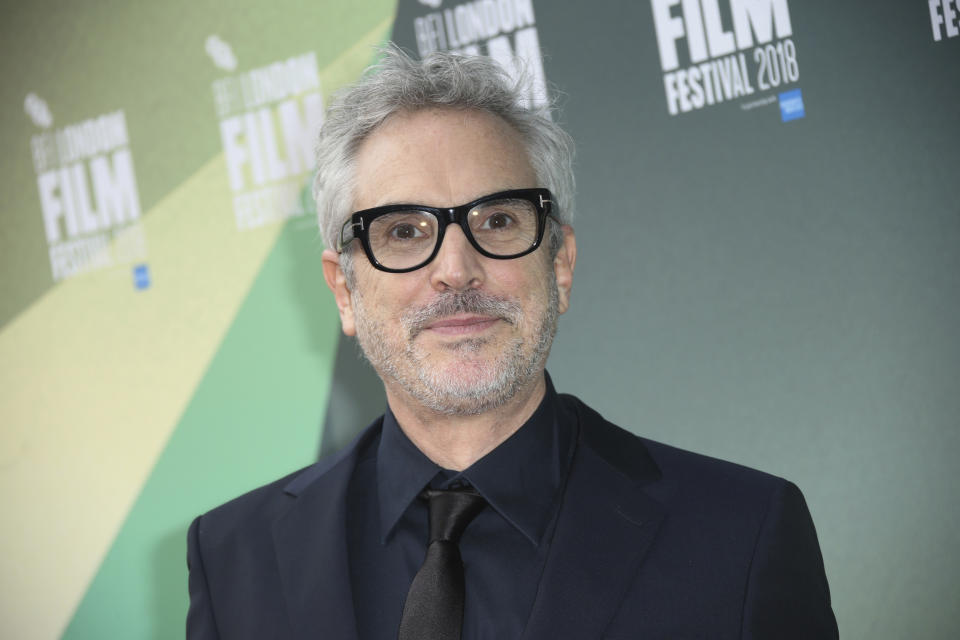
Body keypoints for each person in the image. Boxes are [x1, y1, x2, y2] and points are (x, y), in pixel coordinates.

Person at [187, 47, 838, 639]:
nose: (455, 270)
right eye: (405, 232)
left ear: (559, 264)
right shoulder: (233, 559)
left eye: (497, 220)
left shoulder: (741, 535)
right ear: (344, 292)